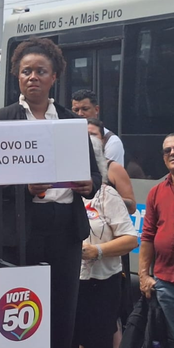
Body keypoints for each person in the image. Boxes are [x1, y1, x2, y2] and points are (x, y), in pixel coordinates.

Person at [0, 37, 101, 348]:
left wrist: (89, 185)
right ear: (17, 76)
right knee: (16, 313)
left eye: (40, 71)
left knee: (61, 310)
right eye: (26, 72)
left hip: (64, 227)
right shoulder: (0, 120)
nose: (32, 77)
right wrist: (24, 188)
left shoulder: (72, 121)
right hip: (18, 227)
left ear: (54, 76)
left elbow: (95, 175)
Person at [73, 136, 137, 348]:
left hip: (100, 285)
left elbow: (130, 239)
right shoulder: (59, 195)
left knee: (96, 341)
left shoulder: (107, 194)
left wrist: (97, 251)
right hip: (69, 281)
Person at [139, 133, 174, 336]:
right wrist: (144, 275)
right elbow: (148, 236)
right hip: (165, 283)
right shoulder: (156, 192)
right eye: (167, 150)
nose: (171, 153)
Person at [86, 118, 136, 214]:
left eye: (93, 134)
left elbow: (132, 207)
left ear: (103, 140)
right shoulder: (73, 169)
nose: (90, 139)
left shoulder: (114, 168)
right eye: (86, 135)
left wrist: (109, 196)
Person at [72, 89, 125, 166]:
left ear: (96, 109)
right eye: (76, 110)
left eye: (85, 109)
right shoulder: (68, 137)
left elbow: (109, 174)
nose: (80, 114)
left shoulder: (112, 142)